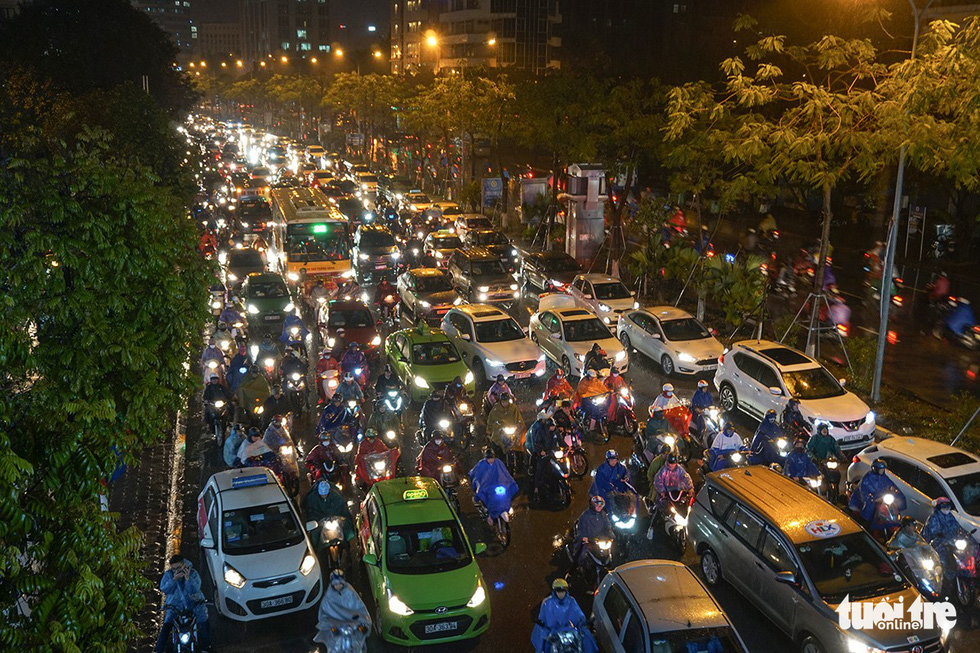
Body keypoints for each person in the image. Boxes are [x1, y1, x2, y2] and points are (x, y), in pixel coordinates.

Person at [156, 556, 210, 653]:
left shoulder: (193, 573)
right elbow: (164, 589)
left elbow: (194, 590)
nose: (176, 570)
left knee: (203, 623)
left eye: (179, 567)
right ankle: (158, 650)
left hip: (194, 605)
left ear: (184, 565)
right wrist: (174, 580)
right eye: (174, 569)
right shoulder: (168, 575)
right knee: (166, 627)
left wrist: (188, 579)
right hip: (174, 607)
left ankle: (206, 647)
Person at [530, 578, 598, 653]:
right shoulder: (547, 603)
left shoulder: (571, 601)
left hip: (571, 635)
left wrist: (583, 624)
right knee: (546, 647)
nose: (560, 594)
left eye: (562, 591)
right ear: (554, 591)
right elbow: (543, 620)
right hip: (554, 636)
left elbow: (579, 617)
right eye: (558, 591)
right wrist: (545, 631)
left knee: (587, 641)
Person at [313, 570, 371, 651]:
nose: (338, 586)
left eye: (340, 584)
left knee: (358, 645)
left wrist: (362, 624)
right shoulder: (329, 598)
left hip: (352, 627)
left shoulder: (350, 593)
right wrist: (331, 626)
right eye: (336, 584)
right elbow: (324, 615)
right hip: (338, 629)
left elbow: (360, 608)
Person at [848, 459, 907, 527]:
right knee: (869, 510)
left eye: (883, 469)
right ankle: (865, 524)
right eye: (881, 469)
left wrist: (896, 492)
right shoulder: (868, 478)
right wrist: (872, 497)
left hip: (882, 500)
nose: (882, 471)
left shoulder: (884, 477)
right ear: (875, 469)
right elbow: (864, 490)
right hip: (872, 500)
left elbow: (891, 485)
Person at [468, 447, 519, 523]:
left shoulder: (498, 463)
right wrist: (478, 484)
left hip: (498, 485)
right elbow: (477, 475)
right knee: (488, 497)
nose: (491, 460)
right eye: (489, 459)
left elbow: (505, 473)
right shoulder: (481, 464)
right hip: (487, 486)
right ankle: (490, 514)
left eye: (492, 458)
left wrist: (510, 482)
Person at [302, 479, 356, 543]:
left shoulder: (336, 496)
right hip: (321, 521)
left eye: (325, 495)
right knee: (314, 536)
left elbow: (341, 507)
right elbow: (311, 511)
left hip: (335, 519)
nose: (324, 496)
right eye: (322, 495)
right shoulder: (312, 498)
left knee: (347, 531)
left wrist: (339, 517)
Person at [571, 496, 614, 569]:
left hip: (599, 539)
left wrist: (610, 535)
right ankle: (574, 568)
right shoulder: (585, 516)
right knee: (581, 554)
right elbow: (581, 529)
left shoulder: (603, 515)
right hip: (589, 539)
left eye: (601, 505)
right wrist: (584, 537)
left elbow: (607, 526)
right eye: (597, 505)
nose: (600, 507)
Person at [528, 415, 559, 504]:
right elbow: (535, 441)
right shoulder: (536, 428)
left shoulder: (549, 428)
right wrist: (539, 451)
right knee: (540, 469)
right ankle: (536, 489)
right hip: (540, 451)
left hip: (548, 451)